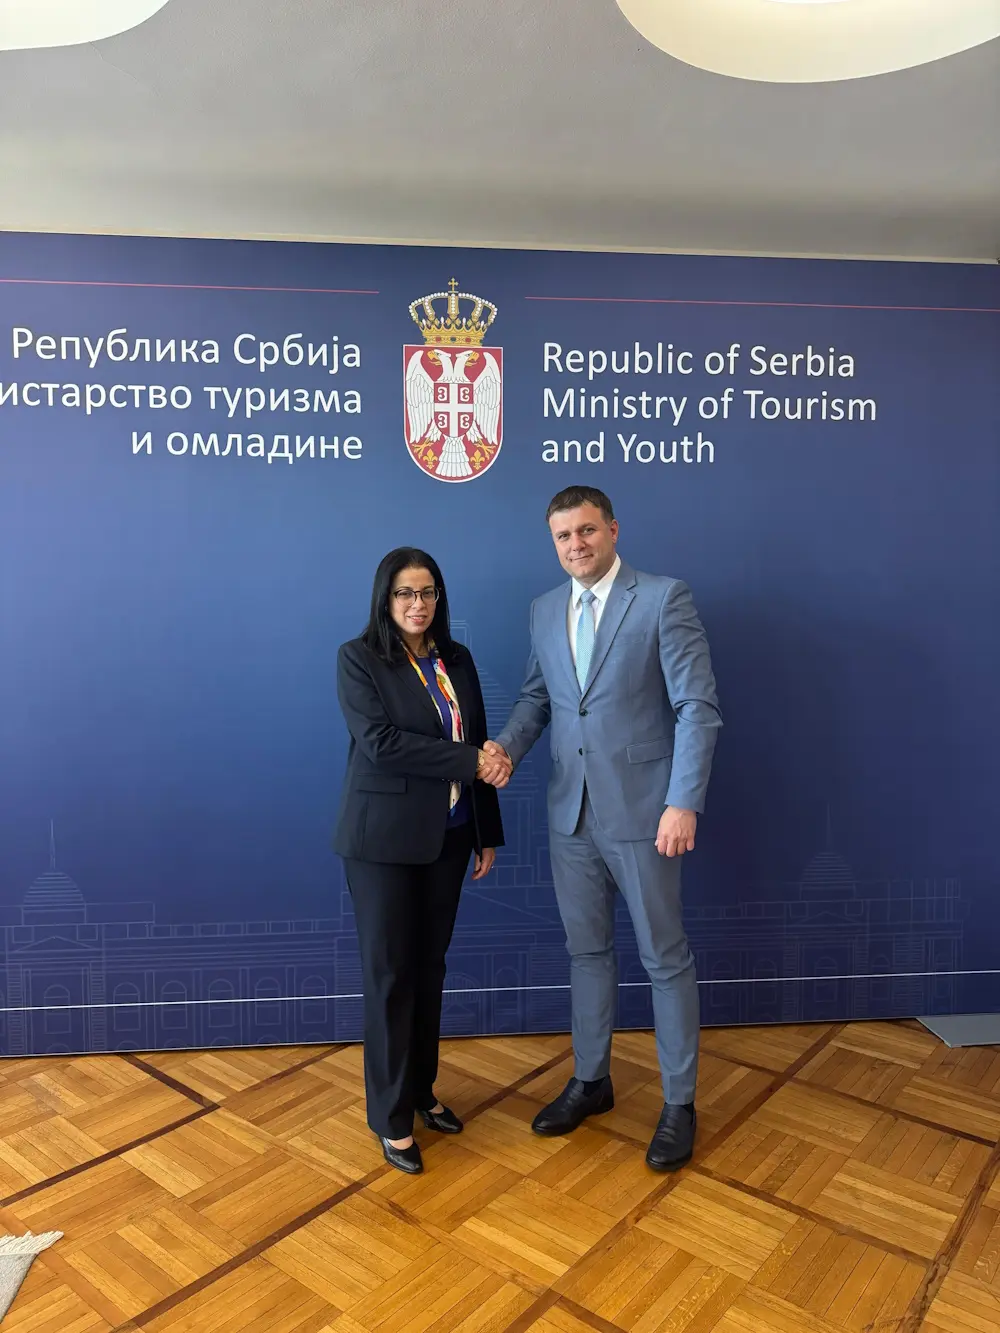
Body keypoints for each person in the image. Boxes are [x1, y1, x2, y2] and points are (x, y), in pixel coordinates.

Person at [486, 486, 721, 1171]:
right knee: (586, 952)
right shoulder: (543, 609)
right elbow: (538, 698)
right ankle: (592, 1081)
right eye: (563, 536)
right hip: (571, 814)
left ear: (613, 529)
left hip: (648, 814)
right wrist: (505, 750)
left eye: (586, 530)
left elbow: (698, 707)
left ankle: (679, 1103)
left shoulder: (663, 598)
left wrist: (684, 800)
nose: (576, 545)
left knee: (664, 957)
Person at [334, 547, 510, 1174]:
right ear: (386, 599)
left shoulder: (455, 659)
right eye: (405, 593)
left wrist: (487, 831)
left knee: (429, 969)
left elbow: (477, 734)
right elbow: (381, 745)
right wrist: (472, 761)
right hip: (382, 845)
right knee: (391, 975)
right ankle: (389, 1119)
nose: (418, 604)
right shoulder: (359, 658)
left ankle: (421, 1091)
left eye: (428, 592)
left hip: (450, 837)